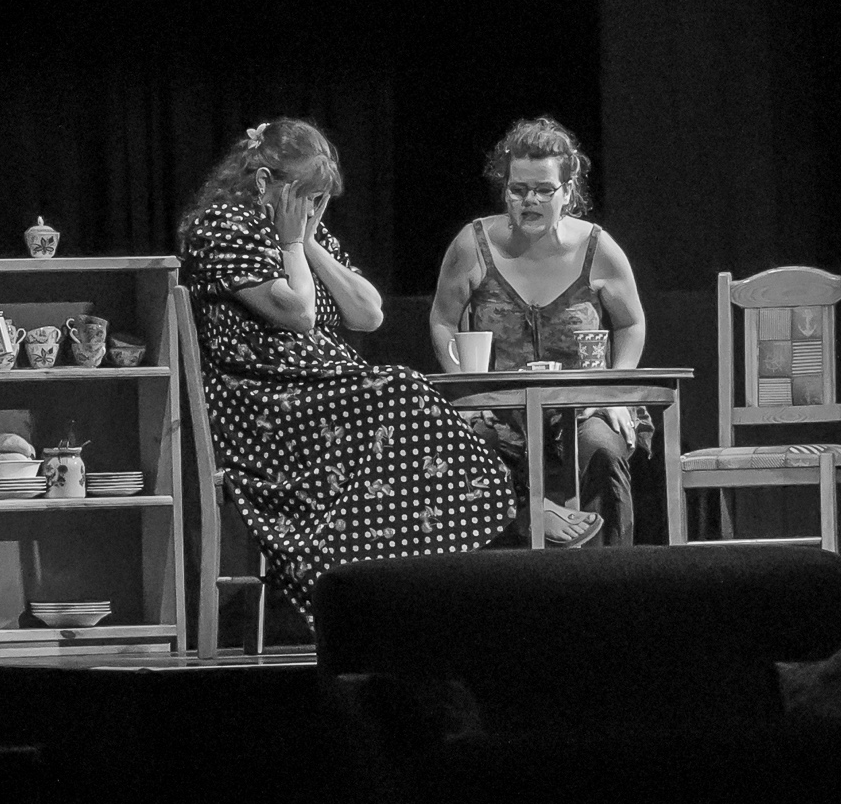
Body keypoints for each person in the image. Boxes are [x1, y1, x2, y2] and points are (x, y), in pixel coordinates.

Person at [181, 119, 521, 630]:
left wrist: (308, 242)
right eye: (307, 197)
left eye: (322, 201)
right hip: (263, 403)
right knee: (401, 389)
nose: (314, 211)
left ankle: (397, 593)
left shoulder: (302, 230)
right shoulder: (224, 228)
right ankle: (350, 586)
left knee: (407, 418)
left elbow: (369, 313)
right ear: (264, 182)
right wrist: (292, 244)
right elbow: (298, 314)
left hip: (320, 392)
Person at [427, 117, 646, 546]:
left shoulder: (597, 248)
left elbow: (631, 323)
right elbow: (443, 321)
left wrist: (614, 391)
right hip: (500, 409)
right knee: (467, 448)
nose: (530, 200)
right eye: (518, 189)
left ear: (568, 191)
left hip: (582, 407)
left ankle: (608, 573)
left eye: (544, 189)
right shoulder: (473, 244)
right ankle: (505, 568)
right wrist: (468, 393)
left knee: (602, 447)